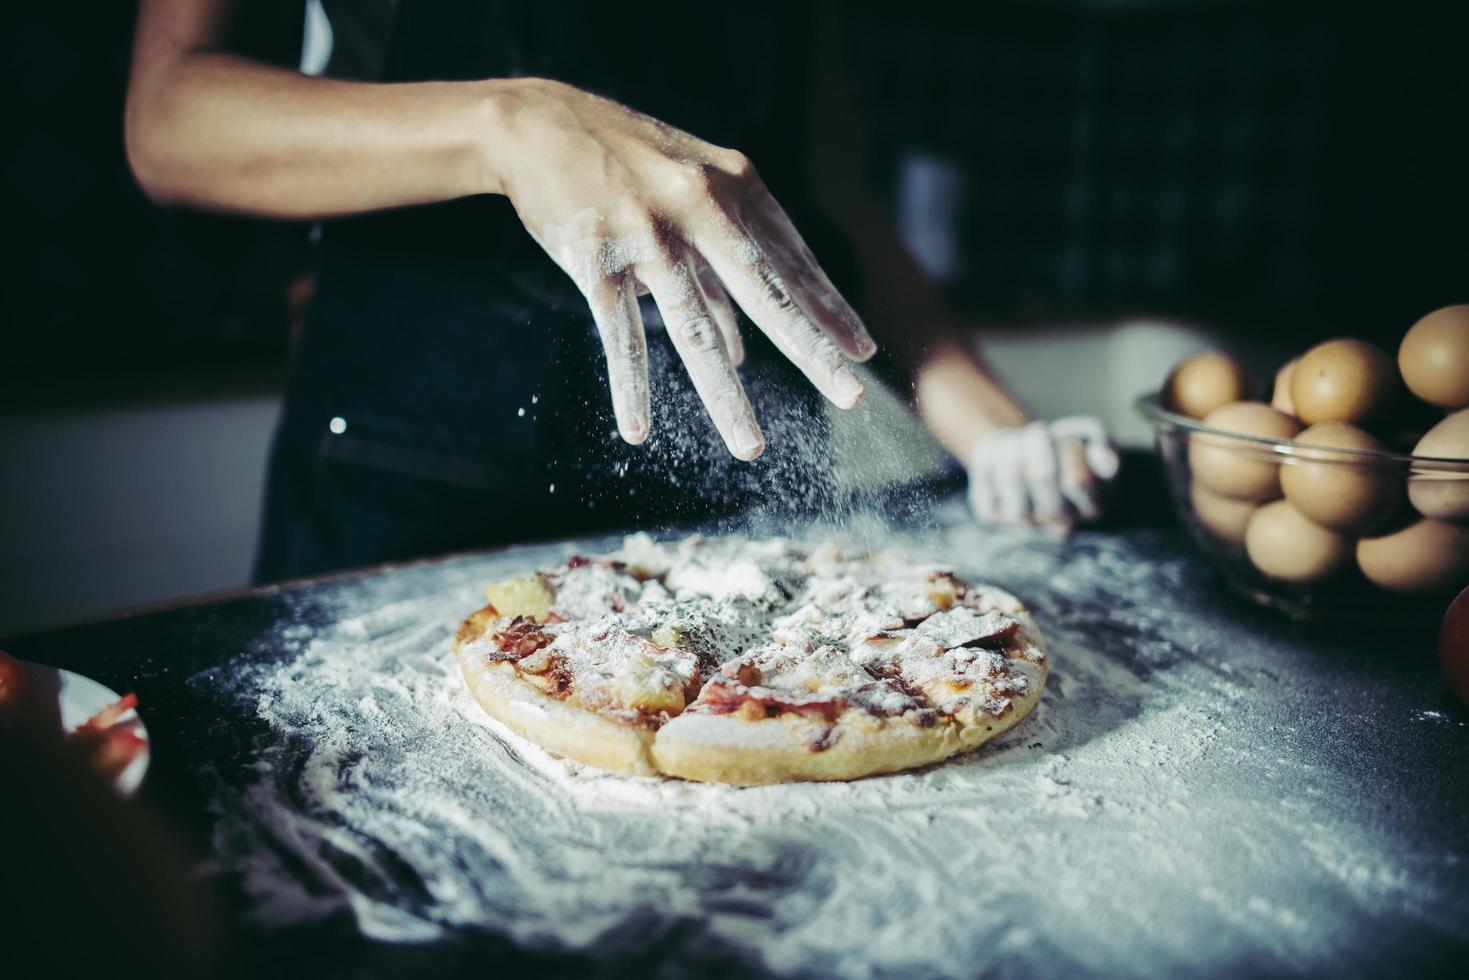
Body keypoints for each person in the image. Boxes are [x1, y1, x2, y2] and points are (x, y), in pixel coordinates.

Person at [125, 0, 1118, 580]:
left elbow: (822, 207)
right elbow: (172, 117)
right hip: (410, 466)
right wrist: (507, 126)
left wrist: (990, 430)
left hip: (729, 490)